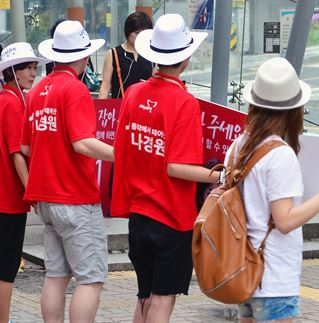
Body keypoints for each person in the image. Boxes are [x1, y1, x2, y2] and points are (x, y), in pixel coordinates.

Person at [111, 14, 215, 323]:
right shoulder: (184, 102)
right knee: (162, 299)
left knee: (144, 296)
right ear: (185, 59)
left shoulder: (133, 94)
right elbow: (177, 167)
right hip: (171, 217)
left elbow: (122, 150)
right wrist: (219, 175)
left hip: (139, 214)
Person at [233, 56, 319, 323]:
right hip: (273, 275)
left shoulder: (239, 145)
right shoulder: (280, 154)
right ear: (293, 110)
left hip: (242, 266)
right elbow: (285, 220)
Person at [21, 20, 114, 323]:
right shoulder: (74, 89)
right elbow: (83, 143)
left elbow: (26, 148)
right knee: (90, 278)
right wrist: (122, 155)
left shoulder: (36, 92)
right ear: (84, 56)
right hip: (74, 196)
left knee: (56, 275)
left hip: (44, 197)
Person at [0, 42, 49, 323]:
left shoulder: (3, 99)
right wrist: (32, 193)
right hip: (7, 198)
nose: (33, 73)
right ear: (12, 72)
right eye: (27, 68)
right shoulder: (13, 103)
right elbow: (17, 155)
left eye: (34, 67)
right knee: (6, 266)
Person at [99, 11, 153, 99]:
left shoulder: (151, 55)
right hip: (120, 107)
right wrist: (100, 110)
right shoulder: (113, 54)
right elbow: (105, 87)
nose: (140, 36)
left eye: (143, 33)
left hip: (145, 107)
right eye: (137, 32)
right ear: (128, 31)